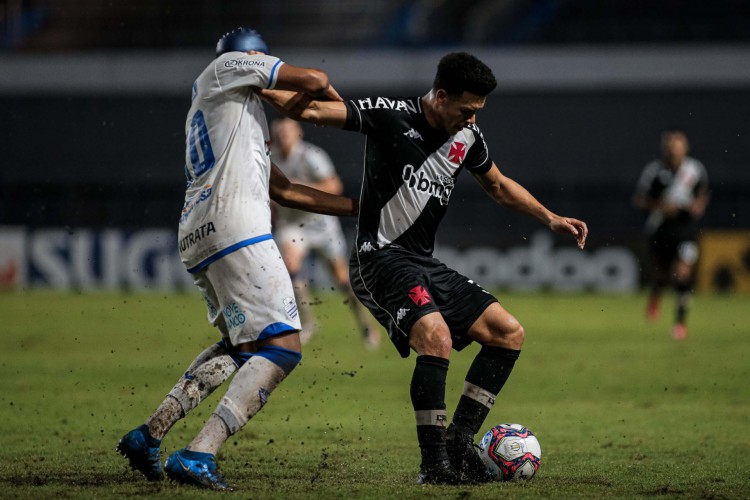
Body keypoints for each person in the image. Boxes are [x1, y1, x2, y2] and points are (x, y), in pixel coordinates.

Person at [261, 52, 588, 484]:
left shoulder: (468, 137)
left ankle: (459, 442)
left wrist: (549, 217)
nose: (472, 120)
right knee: (434, 337)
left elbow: (498, 185)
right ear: (440, 95)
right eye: (467, 110)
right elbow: (311, 109)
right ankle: (434, 466)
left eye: (478, 112)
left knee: (508, 333)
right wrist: (249, 82)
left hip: (422, 261)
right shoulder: (390, 115)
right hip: (378, 257)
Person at [116, 28, 357, 491]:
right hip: (236, 229)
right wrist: (342, 112)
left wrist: (359, 208)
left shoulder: (234, 119)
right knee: (282, 348)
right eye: (262, 60)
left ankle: (149, 433)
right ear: (251, 57)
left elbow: (285, 191)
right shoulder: (226, 67)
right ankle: (198, 452)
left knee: (240, 346)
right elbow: (313, 78)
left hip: (202, 232)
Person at [270, 118, 381, 348]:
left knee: (342, 279)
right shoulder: (270, 160)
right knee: (290, 268)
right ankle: (308, 322)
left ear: (298, 133)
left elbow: (334, 186)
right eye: (279, 133)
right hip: (291, 224)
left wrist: (298, 188)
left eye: (287, 132)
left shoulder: (310, 155)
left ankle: (365, 324)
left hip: (320, 224)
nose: (283, 137)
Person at [633, 130, 710, 340]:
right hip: (660, 228)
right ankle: (656, 295)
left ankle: (680, 323)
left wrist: (696, 207)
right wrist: (661, 207)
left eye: (676, 147)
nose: (672, 152)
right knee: (661, 273)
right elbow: (639, 199)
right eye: (669, 147)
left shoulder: (694, 170)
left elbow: (702, 194)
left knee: (682, 273)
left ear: (685, 148)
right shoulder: (655, 171)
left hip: (685, 230)